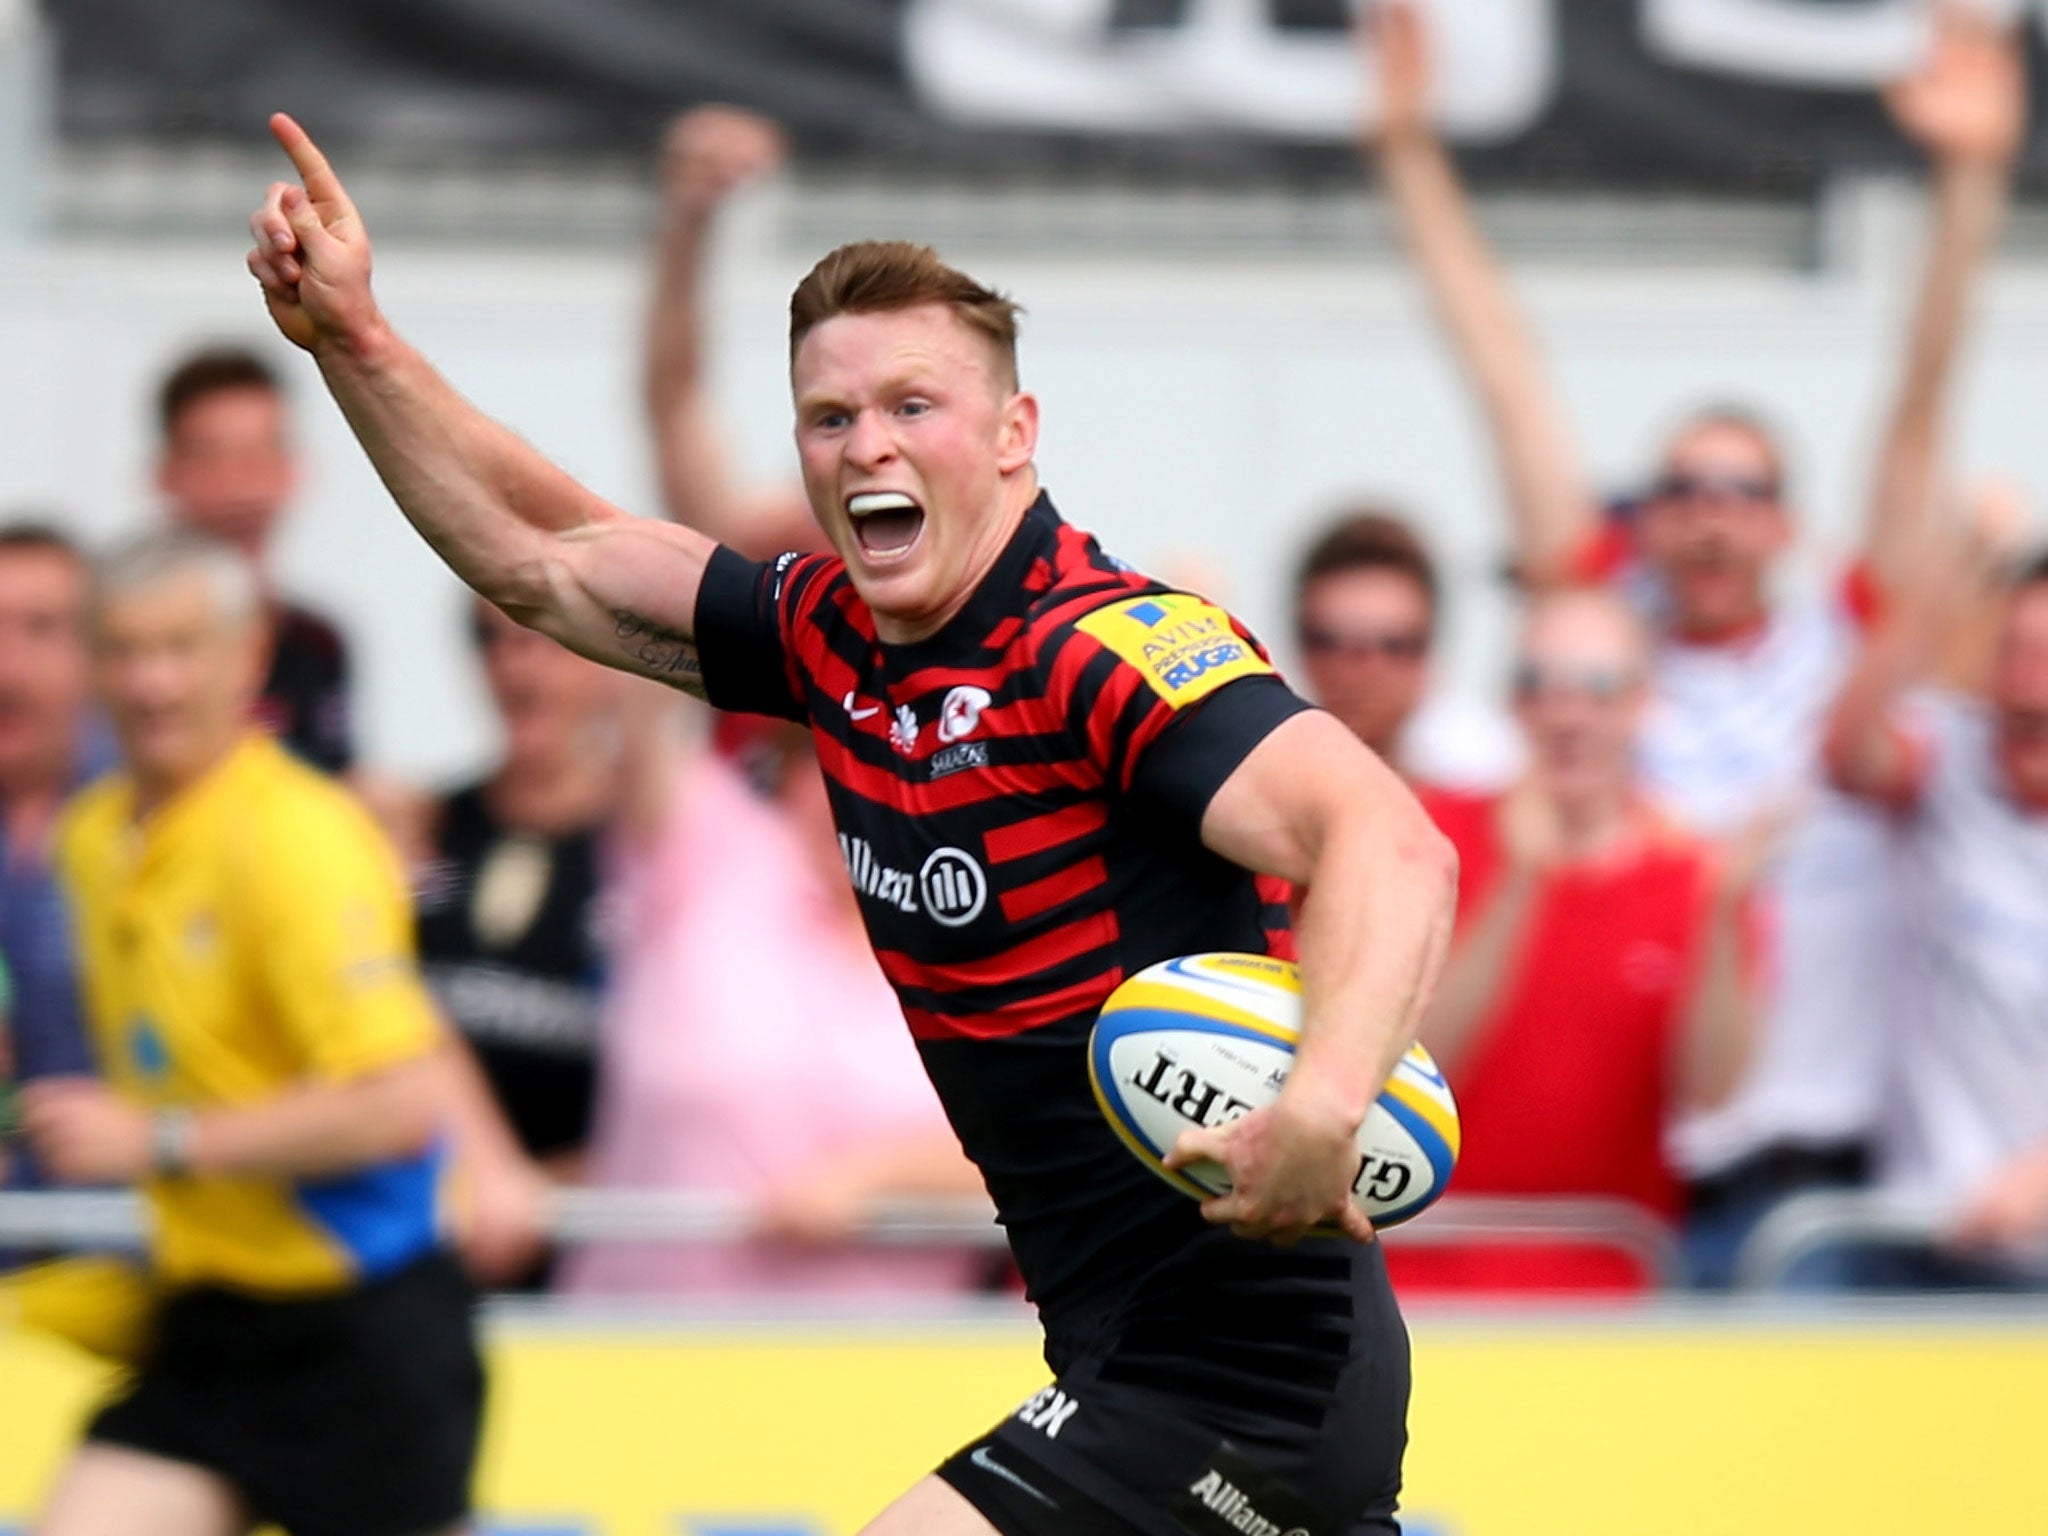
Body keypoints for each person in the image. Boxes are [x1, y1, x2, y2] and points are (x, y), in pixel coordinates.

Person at [248, 117, 1458, 1536]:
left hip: (1250, 1375)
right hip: (1125, 1358)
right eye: (830, 417)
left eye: (912, 405)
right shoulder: (830, 639)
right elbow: (547, 561)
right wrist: (354, 344)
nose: (866, 443)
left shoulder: (1107, 649)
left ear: (1015, 434)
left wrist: (1323, 1104)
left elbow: (1391, 843)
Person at [1365, 1, 2025, 1283]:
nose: (1708, 512)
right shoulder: (1603, 654)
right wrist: (1404, 150)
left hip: (1841, 1192)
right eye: (1680, 488)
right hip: (1660, 1185)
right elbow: (1506, 376)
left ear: (1786, 524)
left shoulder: (1843, 642)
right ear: (1643, 519)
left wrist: (1969, 177)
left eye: (1740, 489)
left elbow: (1919, 396)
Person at [23, 529, 481, 1536]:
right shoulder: (91, 836)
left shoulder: (300, 838)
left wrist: (162, 1142)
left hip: (364, 1330)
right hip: (212, 1324)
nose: (151, 683)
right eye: (126, 650)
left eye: (181, 648)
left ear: (250, 655)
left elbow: (400, 1108)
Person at [563, 692, 984, 1299]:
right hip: (640, 1347)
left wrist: (877, 1178)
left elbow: (1054, 1150)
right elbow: (637, 703)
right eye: (835, 765)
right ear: (786, 774)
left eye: (896, 774)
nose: (863, 796)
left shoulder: (986, 940)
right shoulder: (712, 855)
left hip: (895, 1372)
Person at [1396, 589, 1757, 1291]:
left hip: (1606, 1289)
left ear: (1643, 703)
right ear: (1512, 703)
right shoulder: (1431, 835)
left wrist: (1722, 918)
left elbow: (1713, 1092)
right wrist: (1519, 885)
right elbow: (1413, 1066)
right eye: (1540, 686)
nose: (1567, 715)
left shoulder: (1694, 876)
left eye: (1597, 689)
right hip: (1422, 1267)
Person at [1824, 519, 2048, 1288]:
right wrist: (1944, 582)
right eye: (2014, 650)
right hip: (1915, 1239)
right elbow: (1847, 751)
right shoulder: (1949, 758)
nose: (2030, 682)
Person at [410, 596, 621, 1287]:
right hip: (431, 1248)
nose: (518, 668)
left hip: (596, 1256)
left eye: (546, 640)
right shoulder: (424, 830)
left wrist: (543, 1194)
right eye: (492, 643)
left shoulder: (654, 855)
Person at [155, 345, 355, 773]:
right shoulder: (120, 639)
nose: (239, 481)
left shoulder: (319, 645)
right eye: (210, 456)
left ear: (293, 468)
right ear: (165, 474)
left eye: (258, 454)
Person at [1292, 509, 1521, 792]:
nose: (1364, 669)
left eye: (1394, 646)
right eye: (1332, 641)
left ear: (1430, 654)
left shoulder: (1494, 807)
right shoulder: (1248, 812)